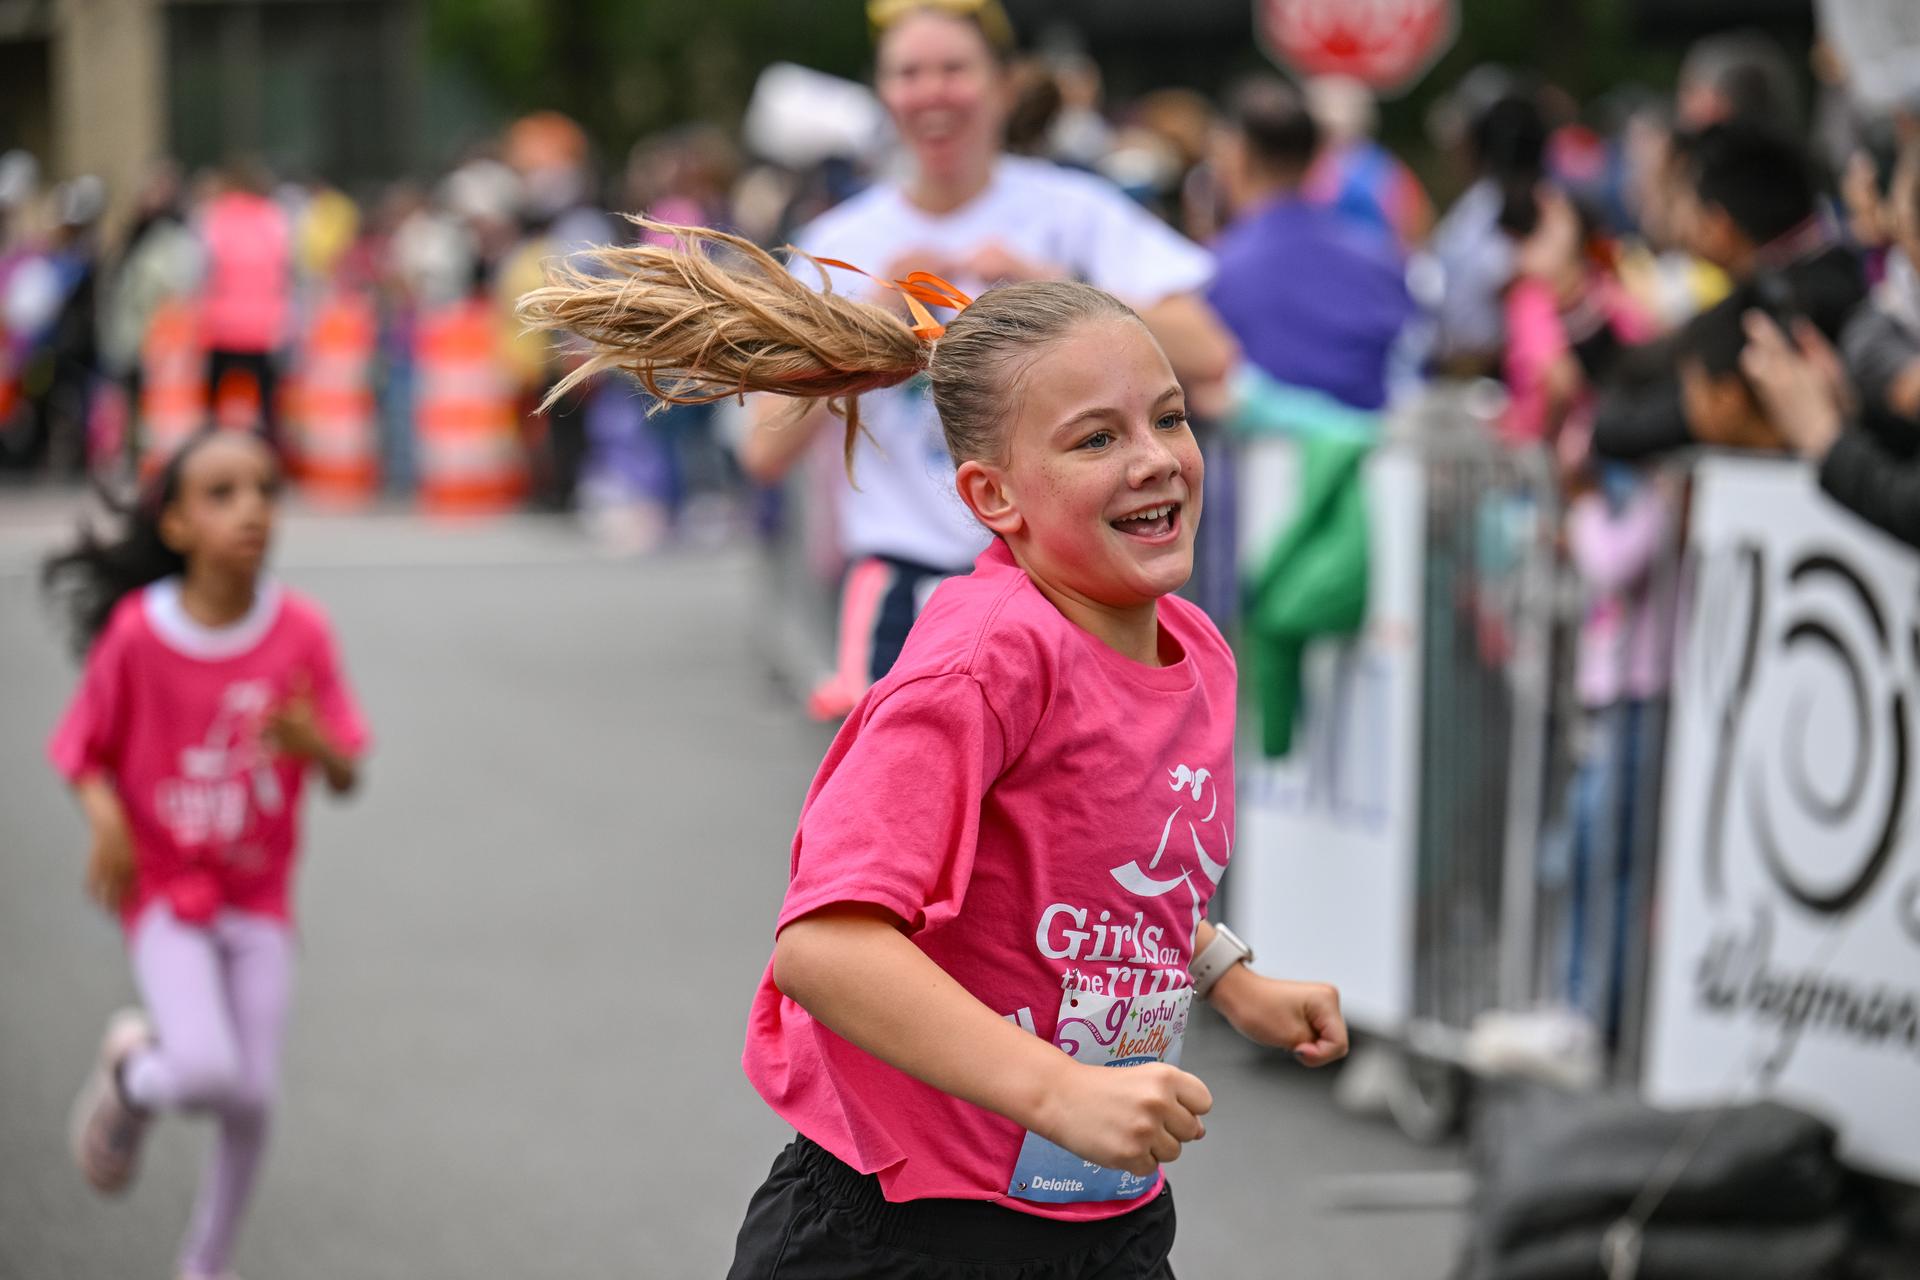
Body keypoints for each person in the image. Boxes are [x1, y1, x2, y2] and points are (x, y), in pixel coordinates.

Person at [520, 220, 1346, 1278]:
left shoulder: (1196, 649)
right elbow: (825, 945)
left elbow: (1104, 869)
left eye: (1168, 417)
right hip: (903, 1234)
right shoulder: (981, 664)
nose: (1155, 459)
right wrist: (1061, 1089)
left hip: (1103, 1225)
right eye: (1095, 438)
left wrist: (1231, 976)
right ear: (993, 495)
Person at [735, 0, 1235, 714]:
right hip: (905, 597)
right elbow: (764, 450)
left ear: (1003, 85)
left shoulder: (1073, 213)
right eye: (910, 73)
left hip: (1071, 590)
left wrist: (1060, 292)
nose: (932, 92)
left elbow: (1208, 351)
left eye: (954, 70)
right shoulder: (837, 243)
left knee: (1080, 818)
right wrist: (862, 330)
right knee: (916, 815)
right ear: (885, 94)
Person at [44, 428, 370, 1280]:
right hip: (164, 894)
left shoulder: (302, 631)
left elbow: (346, 774)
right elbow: (78, 748)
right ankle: (129, 1075)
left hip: (259, 902)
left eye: (265, 488)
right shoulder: (137, 635)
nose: (252, 509)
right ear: (177, 524)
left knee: (252, 1097)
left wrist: (316, 744)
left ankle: (206, 1265)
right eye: (221, 493)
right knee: (200, 1071)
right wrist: (106, 815)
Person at [1208, 77, 1414, 414]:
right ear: (1317, 156)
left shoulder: (1216, 270)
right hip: (1368, 453)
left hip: (1261, 458)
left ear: (1237, 155)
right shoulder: (1381, 258)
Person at [199, 163, 295, 451]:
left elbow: (204, 270)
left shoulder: (216, 218)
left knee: (216, 396)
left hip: (222, 323)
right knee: (266, 399)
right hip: (263, 325)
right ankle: (268, 451)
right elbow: (285, 272)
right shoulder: (274, 219)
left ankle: (212, 448)